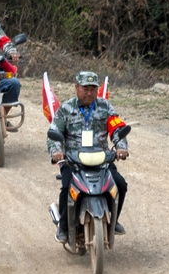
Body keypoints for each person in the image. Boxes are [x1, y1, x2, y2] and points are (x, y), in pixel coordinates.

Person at [46, 70, 129, 240]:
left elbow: (117, 127)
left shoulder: (105, 107)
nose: (89, 92)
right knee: (66, 187)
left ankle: (114, 220)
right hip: (73, 161)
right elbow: (54, 132)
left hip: (101, 160)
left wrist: (121, 146)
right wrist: (56, 151)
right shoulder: (66, 109)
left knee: (120, 184)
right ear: (76, 88)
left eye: (93, 88)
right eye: (85, 88)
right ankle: (63, 227)